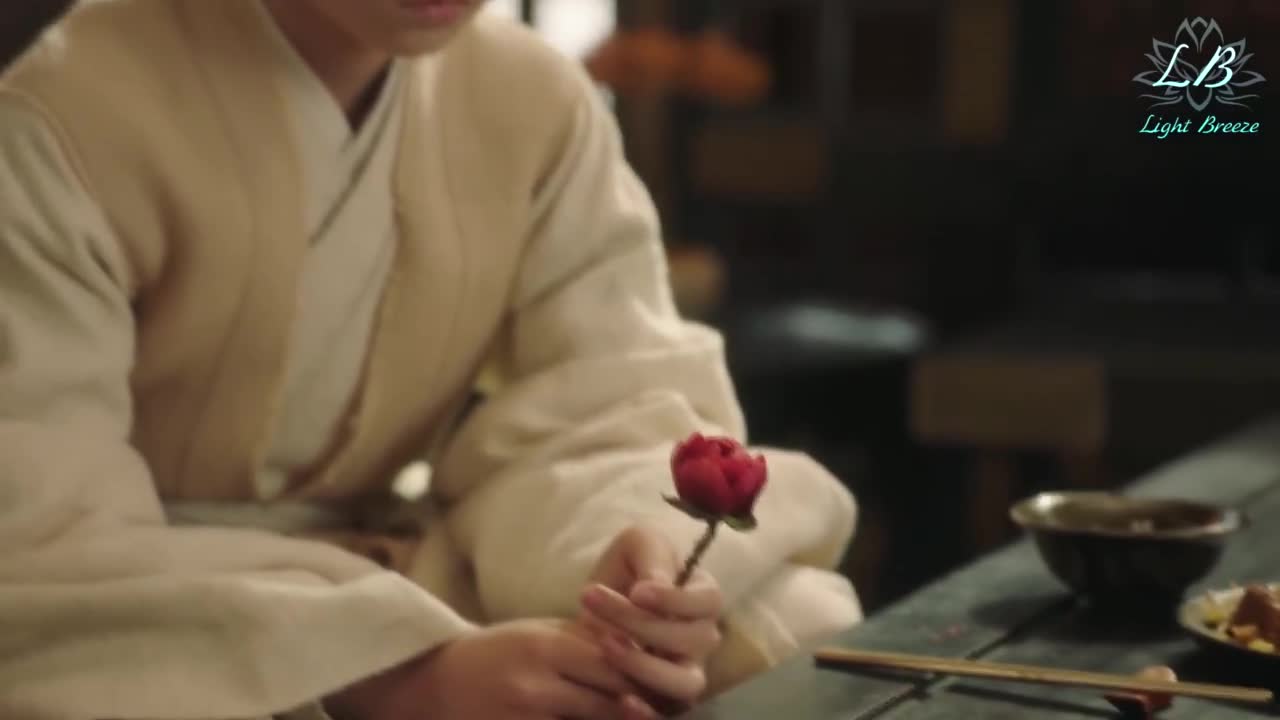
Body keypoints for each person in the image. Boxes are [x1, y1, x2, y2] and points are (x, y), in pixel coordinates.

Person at [0, 1, 863, 718]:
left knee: (790, 622)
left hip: (393, 566)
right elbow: (39, 533)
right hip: (149, 607)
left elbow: (612, 403)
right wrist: (396, 675)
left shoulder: (530, 98)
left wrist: (636, 573)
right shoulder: (65, 110)